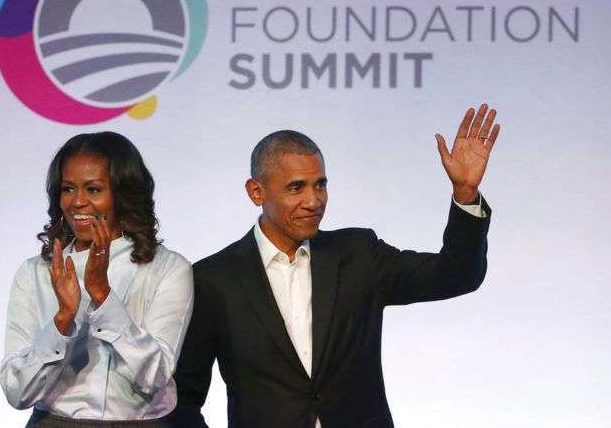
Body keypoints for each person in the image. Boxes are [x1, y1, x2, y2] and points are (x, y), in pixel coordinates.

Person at [168, 104, 500, 428]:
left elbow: (456, 275)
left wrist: (466, 195)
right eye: (296, 187)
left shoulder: (359, 254)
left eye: (320, 184)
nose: (314, 201)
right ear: (256, 192)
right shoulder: (213, 280)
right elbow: (182, 397)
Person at [0, 132, 193, 428]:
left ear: (122, 194)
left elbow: (155, 376)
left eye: (93, 189)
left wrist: (103, 296)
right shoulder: (35, 273)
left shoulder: (168, 268)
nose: (78, 202)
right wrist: (62, 321)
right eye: (68, 188)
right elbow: (17, 392)